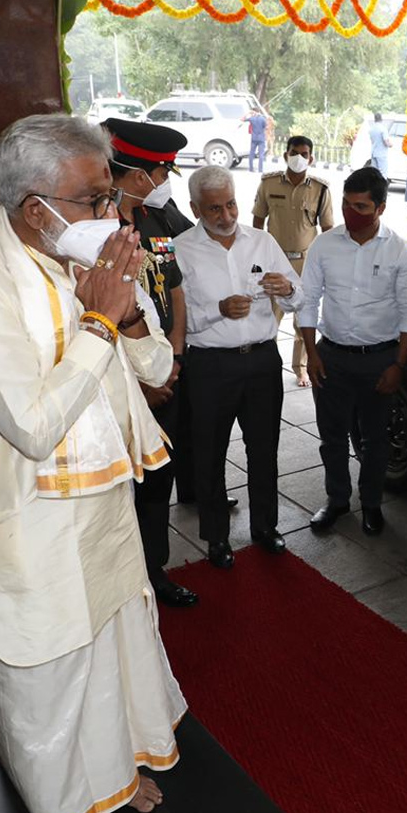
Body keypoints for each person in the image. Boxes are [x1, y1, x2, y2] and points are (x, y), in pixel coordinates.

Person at [0, 113, 186, 813]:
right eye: (94, 199)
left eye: (110, 197)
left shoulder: (83, 262)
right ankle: (58, 808)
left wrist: (129, 319)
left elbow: (161, 373)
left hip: (103, 510)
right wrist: (99, 325)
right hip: (29, 522)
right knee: (44, 678)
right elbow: (33, 426)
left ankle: (111, 772)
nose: (111, 214)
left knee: (111, 651)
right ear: (36, 208)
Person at [174, 165, 304, 569]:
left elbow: (300, 297)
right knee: (209, 453)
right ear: (195, 207)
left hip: (263, 361)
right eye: (214, 209)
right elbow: (176, 321)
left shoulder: (262, 242)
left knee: (264, 449)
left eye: (230, 204)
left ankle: (266, 527)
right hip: (211, 366)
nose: (226, 216)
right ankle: (216, 537)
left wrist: (288, 289)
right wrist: (217, 311)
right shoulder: (180, 249)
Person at [103, 117, 200, 608]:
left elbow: (175, 288)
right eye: (161, 173)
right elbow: (97, 313)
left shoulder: (158, 219)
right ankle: (124, 577)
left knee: (161, 475)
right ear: (138, 175)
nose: (164, 183)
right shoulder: (99, 230)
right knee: (127, 481)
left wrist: (175, 356)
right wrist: (141, 383)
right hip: (126, 385)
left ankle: (155, 570)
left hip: (166, 369)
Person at [299, 166, 407, 536]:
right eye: (348, 204)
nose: (353, 213)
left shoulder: (400, 250)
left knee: (375, 439)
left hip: (380, 360)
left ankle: (371, 503)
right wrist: (311, 353)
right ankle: (337, 500)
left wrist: (398, 365)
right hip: (331, 357)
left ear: (380, 208)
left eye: (362, 206)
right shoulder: (324, 245)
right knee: (332, 437)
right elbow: (308, 301)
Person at [252, 135, 335, 387]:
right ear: (286, 154)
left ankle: (300, 368)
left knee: (303, 319)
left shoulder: (320, 189)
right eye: (294, 152)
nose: (299, 157)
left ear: (311, 158)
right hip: (274, 262)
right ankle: (267, 366)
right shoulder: (268, 184)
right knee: (269, 317)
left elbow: (328, 229)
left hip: (305, 263)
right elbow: (257, 221)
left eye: (304, 153)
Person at [246, 108, 268, 173]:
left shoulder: (252, 118)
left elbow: (242, 119)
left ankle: (251, 169)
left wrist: (248, 113)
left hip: (254, 138)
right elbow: (266, 127)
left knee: (251, 154)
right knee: (261, 155)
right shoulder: (263, 119)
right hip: (261, 138)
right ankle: (260, 170)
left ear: (254, 112)